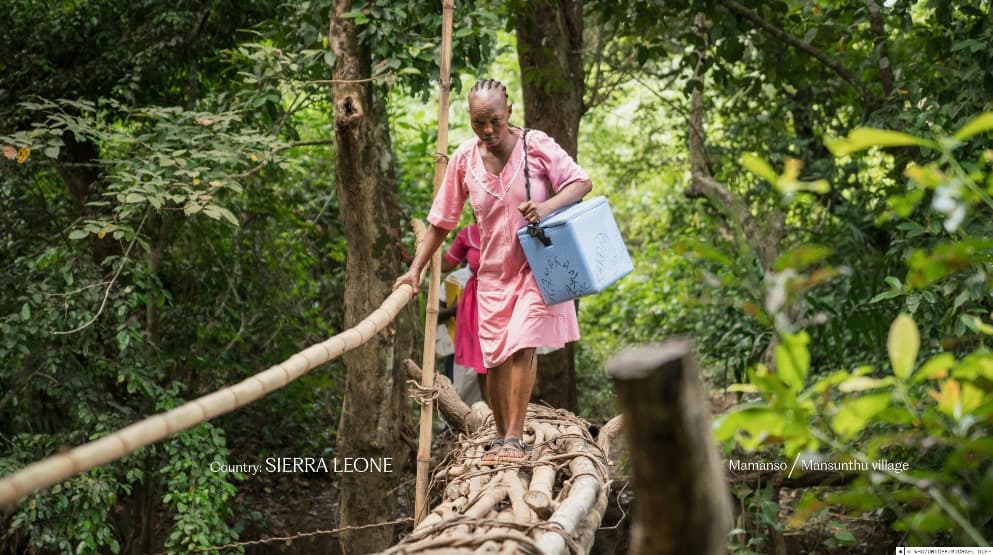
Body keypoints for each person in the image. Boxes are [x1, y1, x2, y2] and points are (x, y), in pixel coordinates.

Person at [393, 78, 592, 464]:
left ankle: (515, 439)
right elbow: (441, 221)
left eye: (495, 122)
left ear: (510, 112)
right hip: (493, 275)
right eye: (478, 122)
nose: (487, 131)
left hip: (537, 267)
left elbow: (581, 182)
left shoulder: (536, 146)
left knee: (522, 340)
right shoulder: (465, 158)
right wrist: (414, 270)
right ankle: (503, 436)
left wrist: (547, 208)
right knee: (496, 356)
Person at [441, 224, 486, 399]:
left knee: (506, 361)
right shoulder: (454, 278)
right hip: (467, 321)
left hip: (507, 298)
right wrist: (416, 262)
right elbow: (445, 263)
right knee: (477, 369)